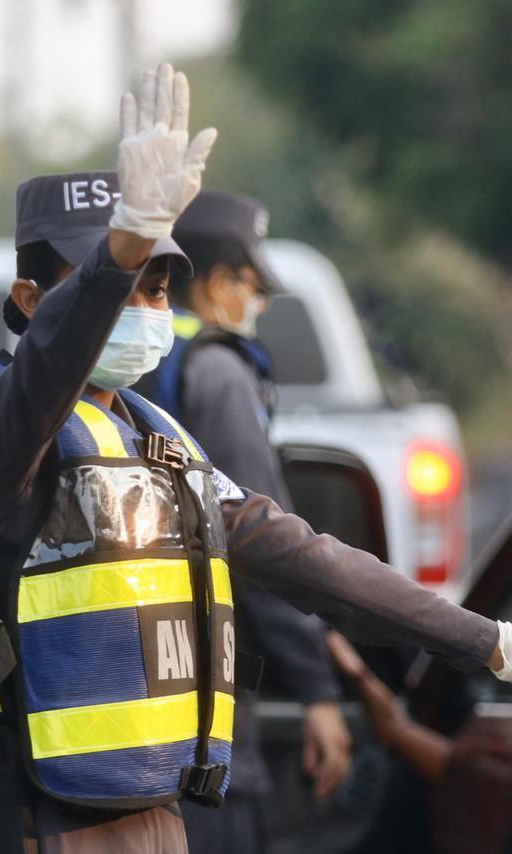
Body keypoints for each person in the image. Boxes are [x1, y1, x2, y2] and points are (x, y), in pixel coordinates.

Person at [0, 63, 512, 853]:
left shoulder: (161, 440)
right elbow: (48, 366)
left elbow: (307, 559)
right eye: (123, 289)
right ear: (27, 301)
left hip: (153, 817)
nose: (145, 308)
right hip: (31, 820)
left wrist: (496, 643)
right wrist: (116, 255)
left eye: (159, 290)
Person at [137, 191, 351, 853]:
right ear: (218, 282)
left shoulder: (114, 364)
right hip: (208, 705)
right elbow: (264, 543)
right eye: (253, 287)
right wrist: (316, 690)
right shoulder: (219, 373)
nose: (255, 305)